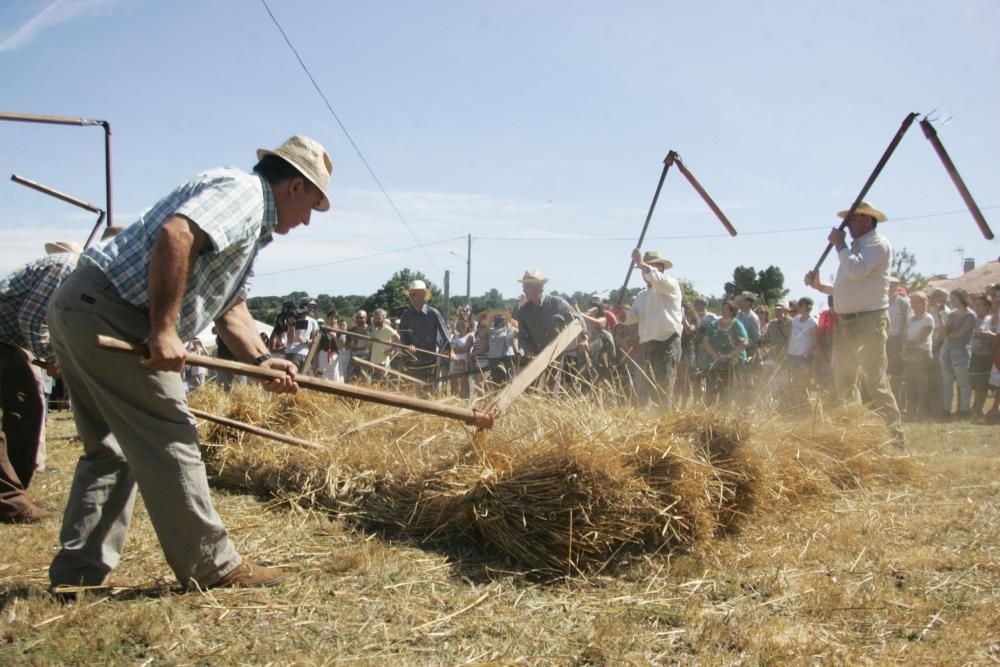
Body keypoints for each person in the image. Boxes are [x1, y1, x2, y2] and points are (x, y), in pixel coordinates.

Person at [46, 134, 332, 594]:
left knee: (111, 450)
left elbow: (231, 310)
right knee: (170, 432)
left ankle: (77, 575)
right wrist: (162, 330)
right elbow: (177, 234)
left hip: (83, 306)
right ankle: (212, 566)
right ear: (294, 187)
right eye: (312, 206)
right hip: (114, 313)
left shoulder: (250, 227)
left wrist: (263, 361)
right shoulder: (243, 194)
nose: (307, 222)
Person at [805, 201, 904, 448]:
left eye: (852, 219)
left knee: (875, 381)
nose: (847, 224)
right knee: (845, 380)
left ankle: (895, 439)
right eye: (847, 220)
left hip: (869, 321)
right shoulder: (857, 247)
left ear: (868, 220)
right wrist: (820, 287)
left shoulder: (877, 244)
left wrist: (840, 244)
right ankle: (855, 436)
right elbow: (848, 288)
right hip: (848, 322)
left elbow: (856, 271)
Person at [0, 240, 83, 523]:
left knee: (28, 406)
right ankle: (10, 503)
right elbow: (33, 320)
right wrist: (53, 358)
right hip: (7, 338)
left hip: (8, 343)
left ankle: (16, 491)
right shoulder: (66, 267)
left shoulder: (75, 277)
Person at [625, 249, 684, 411]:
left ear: (661, 268)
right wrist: (621, 314)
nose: (646, 271)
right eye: (645, 268)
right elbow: (632, 317)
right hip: (648, 345)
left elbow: (656, 278)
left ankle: (666, 424)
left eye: (651, 267)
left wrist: (640, 263)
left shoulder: (670, 284)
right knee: (651, 388)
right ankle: (657, 422)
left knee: (663, 389)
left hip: (667, 343)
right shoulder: (642, 295)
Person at [399, 280, 449, 386]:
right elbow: (403, 336)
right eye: (410, 294)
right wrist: (408, 347)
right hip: (411, 361)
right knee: (410, 395)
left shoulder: (433, 314)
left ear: (423, 295)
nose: (412, 297)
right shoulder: (406, 315)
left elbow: (445, 335)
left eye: (414, 294)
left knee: (428, 394)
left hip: (429, 362)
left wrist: (449, 350)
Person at [700, 299, 748, 406]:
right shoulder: (714, 324)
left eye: (726, 308)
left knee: (726, 393)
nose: (723, 310)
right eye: (722, 308)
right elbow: (705, 342)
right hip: (714, 362)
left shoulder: (737, 325)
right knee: (710, 392)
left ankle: (725, 414)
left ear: (732, 311)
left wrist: (729, 356)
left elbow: (743, 343)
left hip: (731, 363)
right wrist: (716, 356)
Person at [938, 288, 976, 418]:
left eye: (954, 299)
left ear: (961, 298)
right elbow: (944, 333)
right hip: (947, 350)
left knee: (963, 382)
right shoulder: (952, 314)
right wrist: (941, 320)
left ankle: (964, 409)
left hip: (961, 352)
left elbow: (960, 334)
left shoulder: (970, 315)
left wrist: (948, 333)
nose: (952, 302)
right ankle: (946, 409)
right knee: (947, 382)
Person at [901, 291, 934, 418]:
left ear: (923, 303)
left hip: (921, 354)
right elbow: (905, 335)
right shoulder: (910, 320)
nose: (913, 304)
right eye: (912, 302)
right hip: (909, 354)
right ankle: (911, 410)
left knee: (921, 384)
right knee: (909, 384)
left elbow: (921, 337)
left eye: (916, 302)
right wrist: (904, 347)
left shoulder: (927, 319)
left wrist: (908, 347)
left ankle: (922, 411)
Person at [785, 297, 818, 406]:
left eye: (801, 305)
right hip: (792, 354)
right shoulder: (795, 319)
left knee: (803, 381)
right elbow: (791, 335)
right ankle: (795, 403)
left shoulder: (812, 323)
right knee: (793, 379)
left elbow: (814, 340)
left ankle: (804, 403)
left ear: (807, 307)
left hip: (803, 356)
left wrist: (806, 353)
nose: (798, 307)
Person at [886, 277, 911, 404]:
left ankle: (897, 402)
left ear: (897, 287)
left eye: (892, 286)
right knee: (881, 373)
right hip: (882, 341)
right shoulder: (880, 302)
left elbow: (907, 325)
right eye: (888, 285)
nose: (890, 288)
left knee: (896, 374)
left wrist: (904, 345)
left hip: (896, 341)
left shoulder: (904, 304)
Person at [284, 296, 319, 372]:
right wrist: (292, 323)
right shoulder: (292, 318)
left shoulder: (313, 322)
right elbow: (289, 339)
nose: (312, 309)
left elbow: (315, 341)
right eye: (310, 306)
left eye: (313, 307)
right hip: (292, 353)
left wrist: (306, 341)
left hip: (306, 355)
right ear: (303, 305)